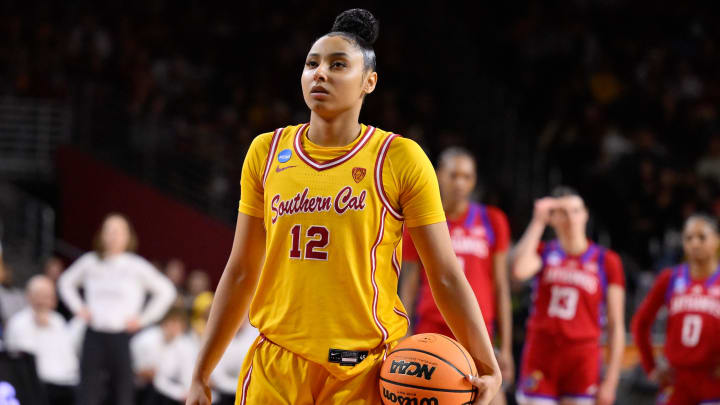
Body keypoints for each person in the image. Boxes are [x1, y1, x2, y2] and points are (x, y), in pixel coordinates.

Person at [186, 8, 501, 405]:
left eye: (338, 65)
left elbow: (445, 274)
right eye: (312, 64)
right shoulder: (266, 151)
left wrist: (487, 364)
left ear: (369, 81)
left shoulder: (399, 158)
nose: (320, 73)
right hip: (275, 365)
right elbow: (242, 270)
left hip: (361, 373)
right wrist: (200, 373)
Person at [400, 146, 513, 404]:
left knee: (492, 397)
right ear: (439, 175)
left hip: (477, 330)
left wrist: (505, 348)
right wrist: (404, 333)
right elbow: (409, 283)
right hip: (432, 329)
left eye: (467, 176)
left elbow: (501, 287)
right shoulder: (420, 221)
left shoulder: (492, 220)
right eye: (454, 175)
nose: (460, 183)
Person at [511, 187, 625, 405]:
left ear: (585, 214)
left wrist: (611, 381)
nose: (570, 217)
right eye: (562, 212)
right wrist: (538, 222)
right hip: (541, 354)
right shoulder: (543, 251)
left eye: (575, 210)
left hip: (583, 357)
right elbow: (518, 270)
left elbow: (616, 325)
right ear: (553, 218)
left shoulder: (607, 260)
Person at [58, 213, 177, 405]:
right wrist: (79, 308)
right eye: (109, 231)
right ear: (101, 235)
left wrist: (143, 319)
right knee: (87, 393)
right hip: (93, 335)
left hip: (121, 337)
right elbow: (65, 282)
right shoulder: (90, 262)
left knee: (123, 394)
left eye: (118, 231)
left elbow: (166, 291)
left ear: (128, 236)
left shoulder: (135, 266)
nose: (113, 236)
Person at [632, 214, 720, 404]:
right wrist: (651, 366)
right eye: (688, 238)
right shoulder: (670, 278)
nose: (694, 243)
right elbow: (640, 323)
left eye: (701, 237)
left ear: (716, 240)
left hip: (713, 380)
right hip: (676, 379)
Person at [4, 275, 84, 405]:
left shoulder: (59, 321)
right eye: (40, 295)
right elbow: (22, 363)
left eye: (48, 296)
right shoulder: (19, 323)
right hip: (36, 387)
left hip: (66, 384)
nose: (44, 300)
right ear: (29, 296)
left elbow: (69, 358)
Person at [131, 306, 188, 404]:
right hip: (141, 387)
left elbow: (186, 373)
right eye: (173, 323)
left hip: (168, 388)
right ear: (164, 323)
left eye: (179, 325)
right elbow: (141, 371)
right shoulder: (146, 339)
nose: (175, 328)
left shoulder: (184, 344)